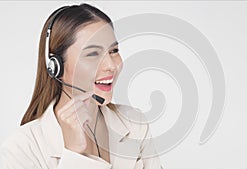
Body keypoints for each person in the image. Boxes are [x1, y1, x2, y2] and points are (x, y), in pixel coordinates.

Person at [0, 3, 162, 169]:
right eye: (92, 54)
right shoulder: (21, 149)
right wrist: (74, 154)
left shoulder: (134, 122)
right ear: (56, 67)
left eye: (114, 50)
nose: (111, 66)